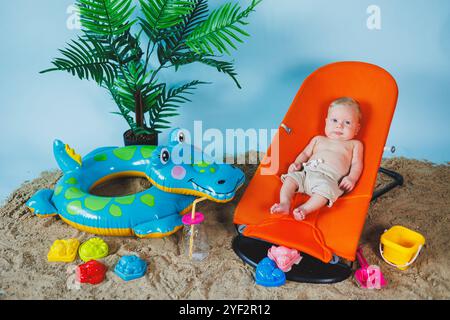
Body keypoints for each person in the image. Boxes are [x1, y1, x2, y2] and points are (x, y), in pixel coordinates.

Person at [270, 97, 364, 221]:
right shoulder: (318, 139)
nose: (339, 126)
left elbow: (357, 163)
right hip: (306, 172)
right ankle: (285, 203)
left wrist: (352, 178)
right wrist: (297, 163)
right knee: (290, 179)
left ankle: (305, 209)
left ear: (357, 129)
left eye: (347, 122)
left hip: (329, 180)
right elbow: (305, 154)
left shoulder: (354, 144)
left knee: (324, 193)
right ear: (326, 122)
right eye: (334, 120)